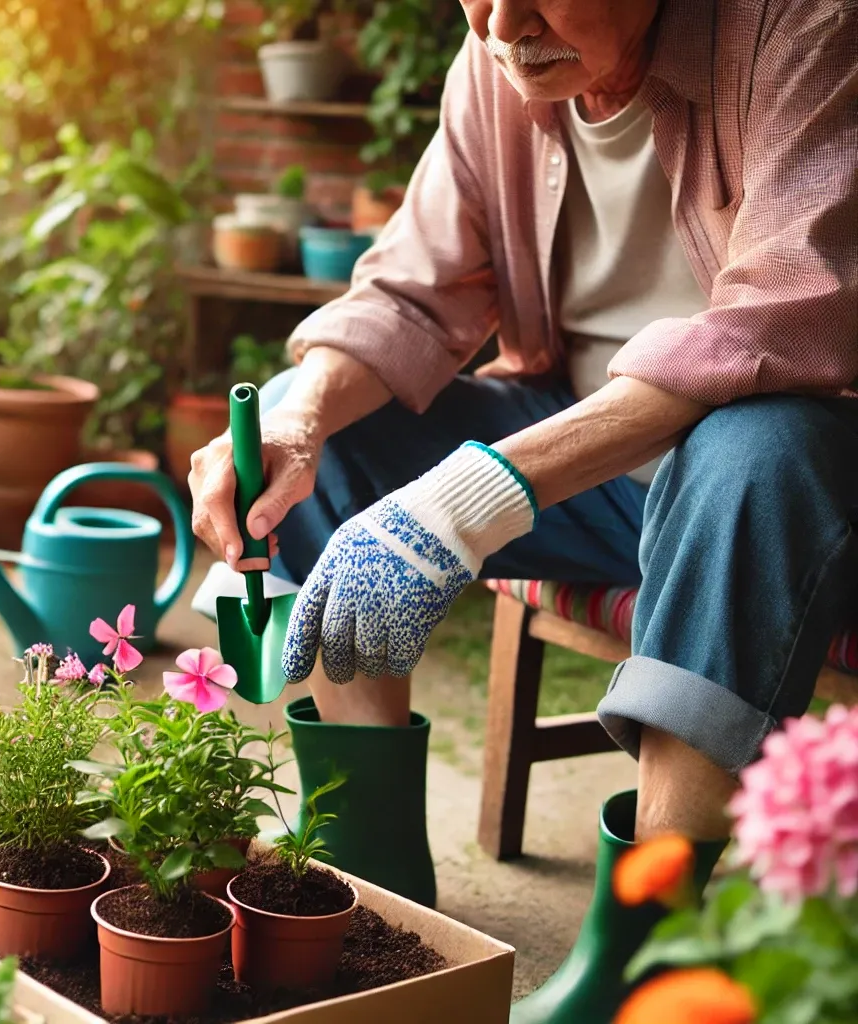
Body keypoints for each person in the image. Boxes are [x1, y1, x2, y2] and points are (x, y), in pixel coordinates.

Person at [190, 0, 858, 1019]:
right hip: (593, 470)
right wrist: (304, 412)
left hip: (784, 485)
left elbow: (786, 319)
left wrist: (467, 504)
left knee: (753, 448)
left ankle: (642, 957)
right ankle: (373, 884)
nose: (503, 24)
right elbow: (412, 296)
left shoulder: (806, 26)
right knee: (318, 436)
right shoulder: (504, 54)